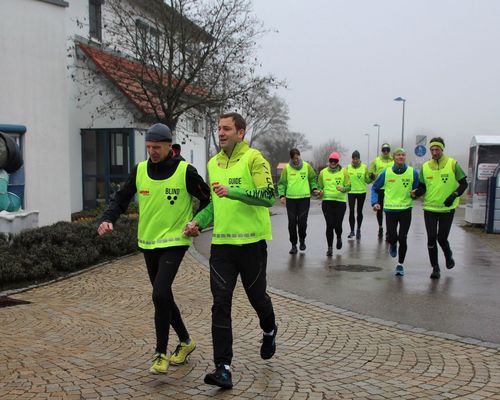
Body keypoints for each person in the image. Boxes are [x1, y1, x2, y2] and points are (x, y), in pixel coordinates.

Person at [97, 123, 210, 374]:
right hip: (148, 242)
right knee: (164, 296)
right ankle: (186, 342)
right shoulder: (139, 170)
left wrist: (197, 222)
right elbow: (121, 198)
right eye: (148, 147)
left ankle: (160, 353)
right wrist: (107, 218)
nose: (152, 151)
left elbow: (207, 198)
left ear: (170, 146)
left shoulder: (185, 171)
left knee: (159, 294)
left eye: (156, 147)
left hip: (175, 241)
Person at [184, 112, 277, 389]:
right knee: (220, 304)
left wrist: (233, 192)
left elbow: (268, 196)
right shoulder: (213, 163)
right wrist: (197, 222)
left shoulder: (254, 159)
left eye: (227, 129)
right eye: (219, 128)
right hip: (222, 246)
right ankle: (223, 368)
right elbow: (214, 204)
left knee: (257, 298)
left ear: (241, 132)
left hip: (251, 245)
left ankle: (270, 330)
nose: (221, 133)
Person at [412, 137, 468, 279]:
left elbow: (463, 184)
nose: (434, 152)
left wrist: (454, 195)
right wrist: (416, 193)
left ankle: (448, 256)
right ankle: (435, 268)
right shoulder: (425, 167)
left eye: (437, 149)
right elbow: (422, 187)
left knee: (441, 238)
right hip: (430, 208)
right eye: (432, 149)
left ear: (442, 149)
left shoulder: (453, 164)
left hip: (446, 208)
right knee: (431, 238)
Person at [371, 148, 419, 276]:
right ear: (394, 157)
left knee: (403, 238)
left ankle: (400, 265)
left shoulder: (412, 172)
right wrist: (375, 202)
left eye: (403, 155)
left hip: (405, 209)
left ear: (405, 157)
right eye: (398, 155)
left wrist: (416, 194)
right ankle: (393, 244)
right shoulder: (386, 173)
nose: (401, 157)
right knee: (392, 237)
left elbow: (418, 189)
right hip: (390, 210)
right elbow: (375, 188)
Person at [277, 148, 318, 254]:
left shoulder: (306, 166)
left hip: (304, 199)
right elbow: (282, 183)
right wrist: (282, 195)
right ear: (291, 158)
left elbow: (313, 178)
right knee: (292, 223)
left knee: (302, 223)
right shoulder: (287, 168)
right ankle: (293, 245)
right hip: (291, 200)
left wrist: (314, 188)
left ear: (300, 156)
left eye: (297, 157)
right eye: (294, 158)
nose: (296, 160)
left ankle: (302, 240)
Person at [317, 152, 351, 256]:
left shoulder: (344, 172)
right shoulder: (323, 172)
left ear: (338, 162)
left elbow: (349, 187)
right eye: (331, 160)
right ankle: (330, 248)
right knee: (329, 225)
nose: (332, 162)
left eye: (335, 161)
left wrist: (343, 189)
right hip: (327, 202)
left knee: (338, 224)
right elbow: (319, 186)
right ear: (329, 161)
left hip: (340, 203)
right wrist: (320, 192)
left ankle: (339, 237)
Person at [369, 143, 394, 239]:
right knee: (379, 210)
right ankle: (380, 227)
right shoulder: (376, 160)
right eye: (384, 150)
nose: (386, 152)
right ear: (381, 151)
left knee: (388, 210)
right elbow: (370, 174)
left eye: (387, 150)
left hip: (390, 189)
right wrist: (372, 175)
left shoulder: (393, 160)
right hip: (379, 188)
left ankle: (388, 231)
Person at [346, 150, 372, 240]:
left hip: (361, 192)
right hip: (351, 192)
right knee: (351, 211)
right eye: (353, 158)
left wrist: (372, 178)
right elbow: (345, 180)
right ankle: (352, 230)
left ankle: (358, 229)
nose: (355, 160)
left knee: (359, 211)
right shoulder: (348, 167)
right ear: (352, 158)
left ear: (359, 159)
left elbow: (367, 180)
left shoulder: (364, 167)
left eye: (357, 158)